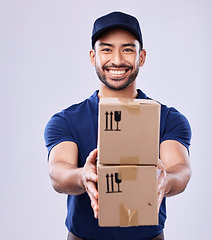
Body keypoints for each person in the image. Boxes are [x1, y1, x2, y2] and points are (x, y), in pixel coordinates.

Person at [44, 11, 191, 240]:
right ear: (93, 57)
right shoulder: (67, 120)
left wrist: (166, 181)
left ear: (141, 57)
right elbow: (57, 171)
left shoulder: (168, 118)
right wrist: (82, 176)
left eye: (127, 49)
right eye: (107, 49)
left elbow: (180, 168)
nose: (117, 60)